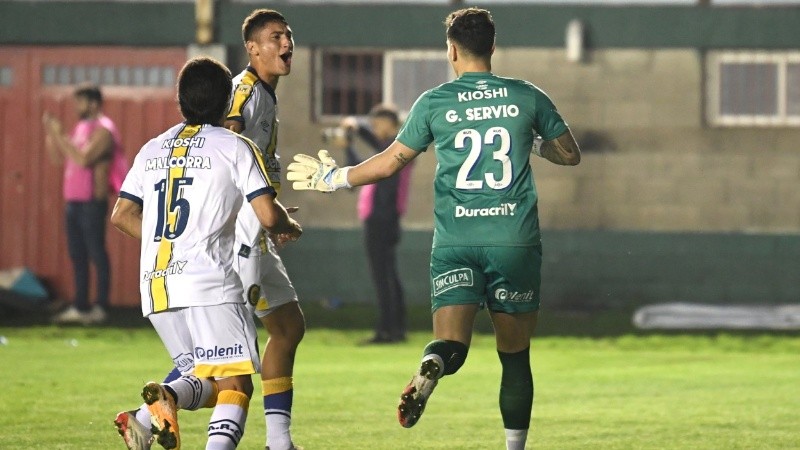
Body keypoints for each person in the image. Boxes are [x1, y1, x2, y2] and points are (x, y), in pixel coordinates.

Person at [286, 7, 580, 450]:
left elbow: (390, 161)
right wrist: (531, 141)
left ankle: (434, 363)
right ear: (493, 47)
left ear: (452, 50)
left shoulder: (434, 102)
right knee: (515, 357)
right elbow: (569, 153)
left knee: (451, 343)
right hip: (513, 240)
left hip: (456, 242)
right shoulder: (525, 96)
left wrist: (333, 178)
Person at [117, 10, 305, 450]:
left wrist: (171, 241)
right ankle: (276, 441)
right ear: (252, 48)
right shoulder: (237, 113)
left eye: (289, 36)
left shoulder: (153, 146)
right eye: (276, 36)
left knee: (261, 342)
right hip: (228, 249)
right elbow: (224, 149)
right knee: (234, 381)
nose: (286, 44)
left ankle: (150, 414)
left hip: (160, 279)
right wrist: (268, 217)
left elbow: (122, 214)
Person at [43, 84, 122, 325]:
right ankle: (80, 305)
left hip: (91, 200)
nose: (76, 107)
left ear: (93, 103)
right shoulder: (80, 128)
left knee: (96, 253)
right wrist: (52, 134)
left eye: (80, 102)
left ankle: (100, 306)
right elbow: (58, 158)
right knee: (77, 255)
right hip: (73, 200)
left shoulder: (104, 130)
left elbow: (83, 158)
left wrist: (61, 135)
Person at [334, 105, 413, 344]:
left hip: (384, 219)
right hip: (379, 219)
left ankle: (387, 331)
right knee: (387, 275)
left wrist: (357, 128)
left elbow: (380, 152)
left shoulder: (399, 149)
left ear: (392, 126)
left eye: (379, 124)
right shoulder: (384, 153)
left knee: (383, 277)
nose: (376, 129)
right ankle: (394, 329)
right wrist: (348, 144)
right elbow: (359, 172)